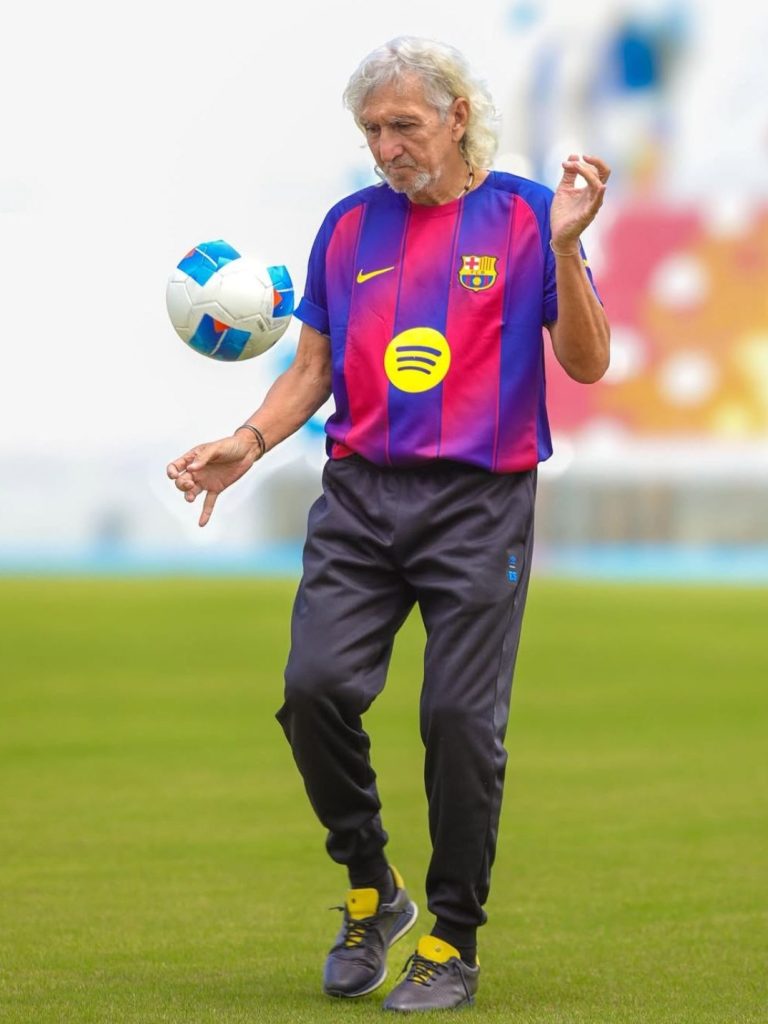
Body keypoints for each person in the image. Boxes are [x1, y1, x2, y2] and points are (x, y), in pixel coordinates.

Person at [167, 36, 610, 1013]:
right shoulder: (349, 227)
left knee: (458, 722)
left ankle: (452, 935)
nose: (386, 146)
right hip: (361, 499)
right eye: (373, 129)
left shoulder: (533, 215)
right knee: (313, 689)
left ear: (458, 116)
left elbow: (586, 364)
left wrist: (573, 248)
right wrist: (248, 440)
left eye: (403, 125)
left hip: (479, 505)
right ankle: (374, 887)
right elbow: (312, 370)